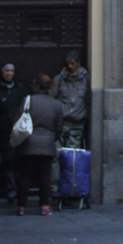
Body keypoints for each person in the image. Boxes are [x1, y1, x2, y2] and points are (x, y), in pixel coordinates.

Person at [13, 74, 63, 216]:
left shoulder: (27, 101)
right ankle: (44, 205)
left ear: (35, 85)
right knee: (45, 175)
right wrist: (53, 138)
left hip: (28, 142)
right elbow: (59, 126)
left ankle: (21, 206)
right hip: (47, 143)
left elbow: (17, 119)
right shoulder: (56, 104)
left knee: (25, 175)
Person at [52, 51, 90, 188]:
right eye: (68, 64)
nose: (69, 66)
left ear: (78, 63)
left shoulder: (86, 79)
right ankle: (55, 187)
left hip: (77, 124)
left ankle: (71, 187)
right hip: (62, 124)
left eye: (72, 63)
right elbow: (53, 98)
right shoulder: (59, 79)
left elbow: (88, 100)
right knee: (56, 157)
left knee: (73, 159)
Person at [0, 63, 27, 201]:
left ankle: (20, 187)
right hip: (4, 130)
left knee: (19, 160)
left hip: (19, 129)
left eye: (12, 71)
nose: (9, 73)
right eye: (7, 71)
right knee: (8, 161)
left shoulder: (19, 88)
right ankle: (11, 189)